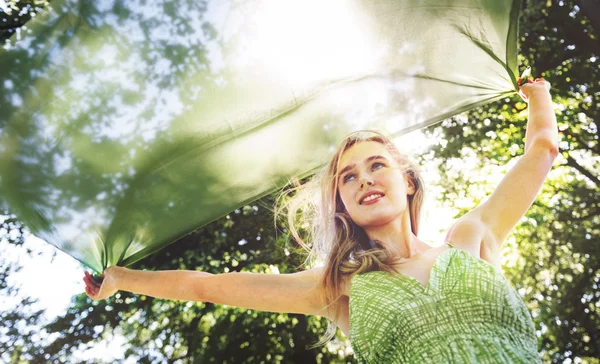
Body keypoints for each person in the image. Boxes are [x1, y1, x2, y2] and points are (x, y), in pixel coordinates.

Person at [84, 77, 557, 363]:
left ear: (407, 180)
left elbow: (542, 150)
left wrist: (538, 94)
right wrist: (122, 279)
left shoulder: (470, 239)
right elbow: (206, 285)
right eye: (348, 178)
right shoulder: (338, 285)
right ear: (342, 205)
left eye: (377, 165)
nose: (364, 181)